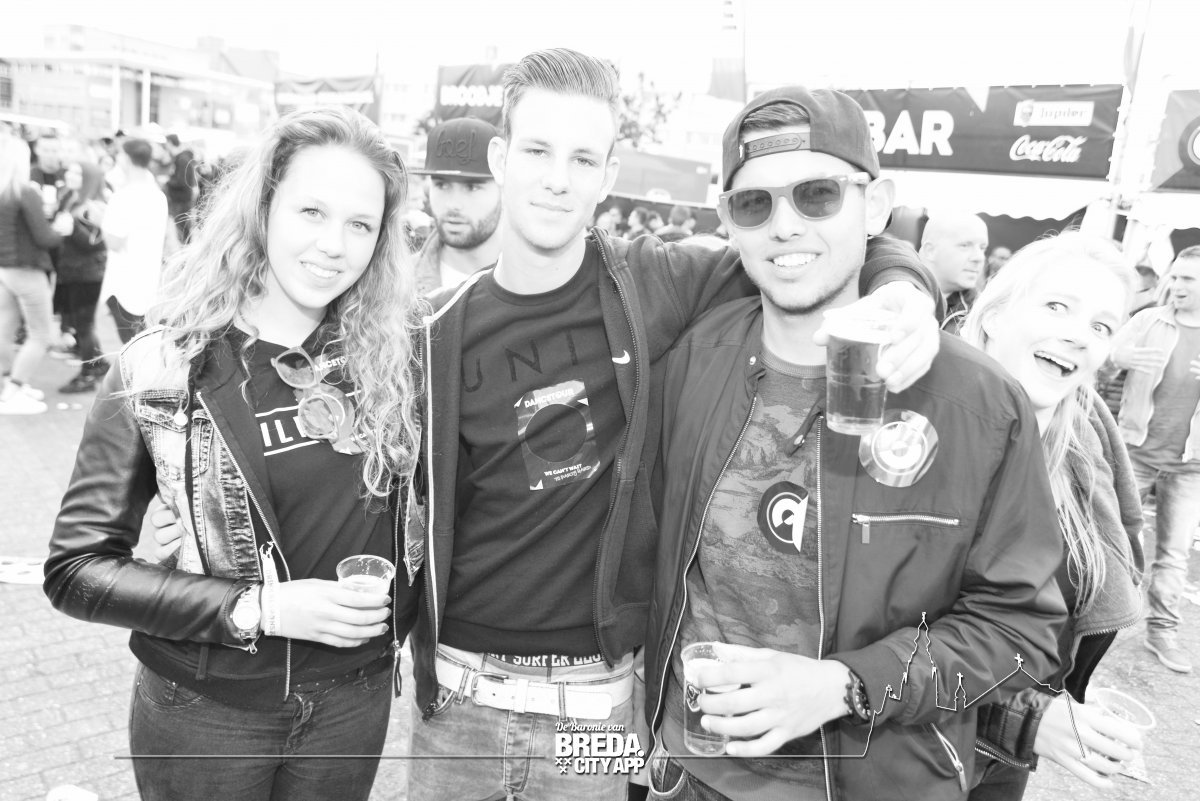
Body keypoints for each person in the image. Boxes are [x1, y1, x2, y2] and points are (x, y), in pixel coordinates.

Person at [408, 48, 944, 801]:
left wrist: (906, 288)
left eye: (582, 158)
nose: (558, 178)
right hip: (456, 702)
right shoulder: (437, 329)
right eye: (536, 151)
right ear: (501, 157)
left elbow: (809, 243)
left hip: (596, 705)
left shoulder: (654, 282)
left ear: (609, 173)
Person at [644, 86, 1066, 801]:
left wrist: (845, 685)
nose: (785, 226)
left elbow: (1020, 629)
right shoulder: (692, 360)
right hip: (686, 774)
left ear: (875, 206)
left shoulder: (976, 403)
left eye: (818, 195)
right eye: (755, 204)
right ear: (728, 222)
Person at [43, 107, 424, 801]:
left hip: (353, 702)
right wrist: (259, 608)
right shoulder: (160, 369)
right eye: (311, 211)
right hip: (208, 713)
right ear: (263, 207)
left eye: (360, 224)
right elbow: (76, 571)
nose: (333, 245)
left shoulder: (394, 358)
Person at [963, 233, 1145, 798]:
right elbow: (873, 640)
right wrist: (1024, 719)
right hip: (912, 753)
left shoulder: (1084, 446)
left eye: (1102, 326)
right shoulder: (923, 441)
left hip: (1005, 762)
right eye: (1057, 306)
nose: (1079, 335)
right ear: (994, 315)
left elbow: (1116, 560)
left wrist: (1042, 716)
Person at [1109, 245, 1200, 673]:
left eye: (1188, 279)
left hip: (1190, 464)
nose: (1176, 285)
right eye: (1175, 276)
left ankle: (1162, 632)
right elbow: (1099, 359)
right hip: (1136, 452)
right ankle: (1094, 619)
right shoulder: (1147, 320)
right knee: (1112, 540)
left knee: (1174, 554)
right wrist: (1117, 358)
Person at [0, 134, 65, 414]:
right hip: (27, 270)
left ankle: (7, 384)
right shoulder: (25, 192)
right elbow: (45, 237)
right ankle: (13, 390)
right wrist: (61, 229)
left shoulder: (3, 191)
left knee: (5, 331)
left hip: (6, 270)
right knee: (40, 334)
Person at [412, 117, 503, 294]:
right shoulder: (393, 284)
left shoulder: (540, 283)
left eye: (472, 187)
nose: (453, 204)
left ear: (504, 189)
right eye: (442, 185)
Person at [100, 138, 167, 343]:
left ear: (126, 158)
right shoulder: (158, 196)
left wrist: (100, 221)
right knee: (142, 341)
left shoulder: (123, 196)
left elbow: (114, 242)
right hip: (148, 279)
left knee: (131, 344)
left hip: (123, 282)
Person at [55, 160, 110, 393]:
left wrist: (73, 228)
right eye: (71, 170)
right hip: (72, 272)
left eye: (78, 173)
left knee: (84, 325)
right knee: (80, 324)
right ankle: (97, 364)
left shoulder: (94, 206)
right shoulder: (71, 198)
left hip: (88, 274)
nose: (71, 175)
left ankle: (88, 373)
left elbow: (97, 243)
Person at [921, 211, 989, 333]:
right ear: (930, 251)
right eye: (965, 245)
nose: (979, 257)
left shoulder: (982, 316)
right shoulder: (893, 290)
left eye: (982, 248)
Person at [164, 133, 199, 243]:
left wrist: (167, 181)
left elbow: (182, 181)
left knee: (182, 231)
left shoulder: (182, 159)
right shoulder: (182, 158)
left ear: (170, 143)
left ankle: (185, 251)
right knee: (183, 230)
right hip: (182, 199)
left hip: (181, 200)